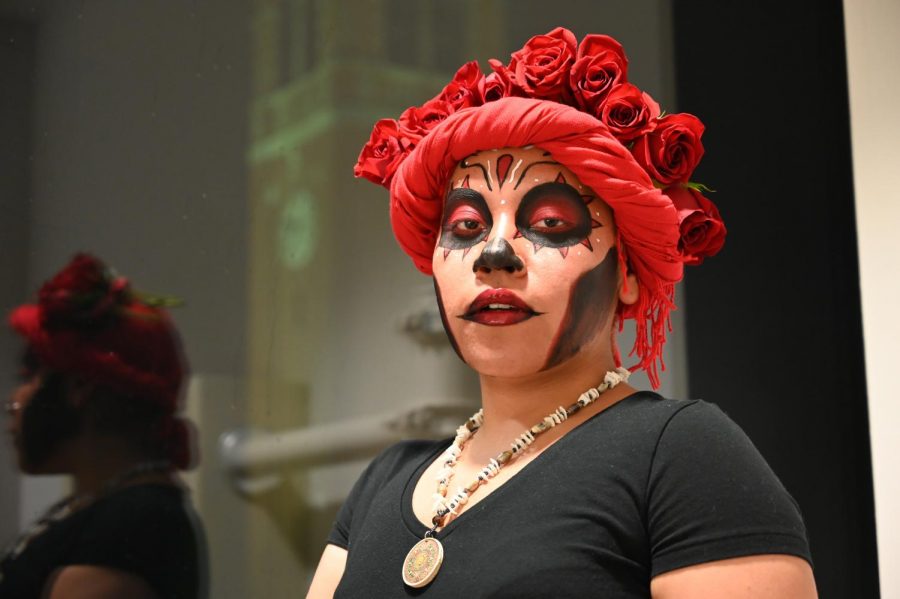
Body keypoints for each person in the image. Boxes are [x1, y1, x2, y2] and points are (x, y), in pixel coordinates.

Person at [308, 28, 816, 598]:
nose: (494, 255)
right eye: (467, 227)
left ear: (626, 274)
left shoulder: (679, 454)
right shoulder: (385, 479)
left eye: (549, 224)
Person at [1, 253, 207, 599]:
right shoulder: (114, 513)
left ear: (80, 387)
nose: (13, 401)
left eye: (32, 374)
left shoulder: (133, 524)